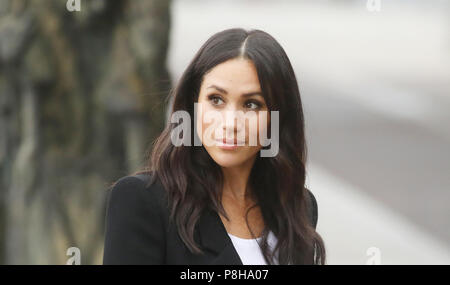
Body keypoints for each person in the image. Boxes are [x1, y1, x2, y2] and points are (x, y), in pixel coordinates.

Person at [103, 28, 326, 265]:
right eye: (216, 100)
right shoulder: (143, 202)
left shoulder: (298, 206)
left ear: (278, 119)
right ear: (193, 105)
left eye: (251, 104)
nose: (230, 123)